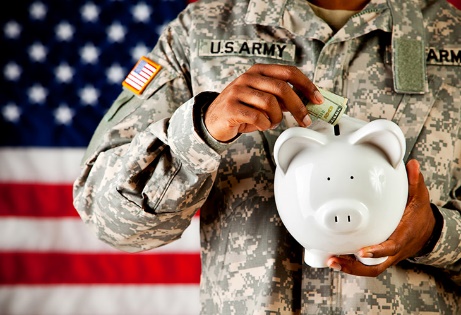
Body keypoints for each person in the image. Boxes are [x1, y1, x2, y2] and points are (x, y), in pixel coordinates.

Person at [73, 0, 461, 313]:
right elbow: (108, 217)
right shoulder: (202, 29)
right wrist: (201, 129)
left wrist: (435, 235)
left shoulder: (452, 33)